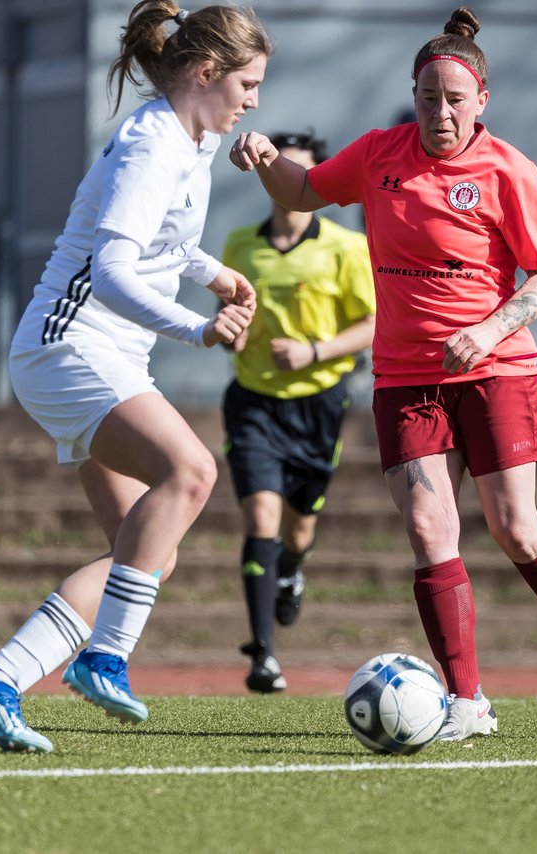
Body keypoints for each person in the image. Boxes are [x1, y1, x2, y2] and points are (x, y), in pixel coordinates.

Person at [229, 6, 537, 740]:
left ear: (482, 102)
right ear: (413, 97)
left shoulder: (508, 170)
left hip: (499, 369)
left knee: (515, 529)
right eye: (427, 98)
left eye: (454, 99)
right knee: (425, 524)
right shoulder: (381, 154)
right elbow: (303, 191)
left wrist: (489, 327)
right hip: (405, 377)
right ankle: (468, 701)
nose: (440, 113)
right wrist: (262, 159)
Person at [0, 0, 270, 753]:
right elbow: (114, 272)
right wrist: (196, 327)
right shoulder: (153, 145)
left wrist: (215, 274)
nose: (254, 101)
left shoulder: (191, 142)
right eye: (247, 84)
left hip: (100, 354)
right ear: (205, 71)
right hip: (68, 348)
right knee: (192, 472)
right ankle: (106, 657)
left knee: (148, 544)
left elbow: (161, 241)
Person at [219, 130, 376, 694]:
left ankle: (291, 569)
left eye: (300, 171)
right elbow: (230, 311)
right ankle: (263, 652)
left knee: (299, 526)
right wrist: (231, 331)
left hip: (319, 404)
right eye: (277, 169)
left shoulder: (343, 246)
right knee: (260, 517)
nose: (288, 181)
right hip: (254, 401)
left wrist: (314, 351)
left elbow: (372, 323)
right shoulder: (240, 244)